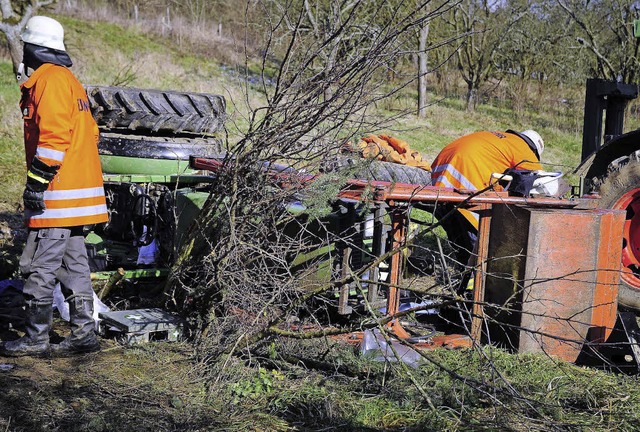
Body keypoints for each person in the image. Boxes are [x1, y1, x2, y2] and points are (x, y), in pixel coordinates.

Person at [0, 16, 108, 357]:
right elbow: (91, 134)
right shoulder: (69, 81)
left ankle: (35, 338)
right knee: (75, 265)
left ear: (33, 47)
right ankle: (84, 335)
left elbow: (53, 138)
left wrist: (36, 183)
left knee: (38, 267)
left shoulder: (49, 81)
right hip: (79, 198)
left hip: (58, 197)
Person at [430, 129, 544, 266]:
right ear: (535, 150)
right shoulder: (524, 148)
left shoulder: (498, 138)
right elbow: (542, 182)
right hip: (464, 176)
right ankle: (474, 275)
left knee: (456, 226)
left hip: (440, 172)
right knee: (479, 232)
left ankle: (464, 269)